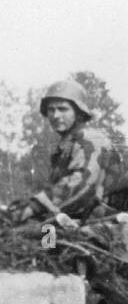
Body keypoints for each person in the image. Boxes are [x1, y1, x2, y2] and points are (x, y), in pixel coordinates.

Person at [11, 80, 120, 223]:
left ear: (78, 112)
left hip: (99, 222)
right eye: (51, 110)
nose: (55, 115)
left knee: (40, 240)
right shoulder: (67, 146)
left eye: (63, 109)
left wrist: (34, 206)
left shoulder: (90, 140)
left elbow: (81, 184)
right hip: (75, 220)